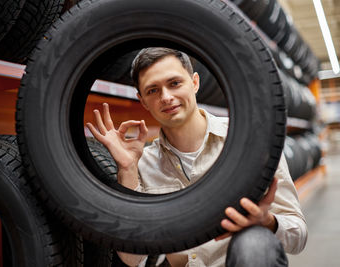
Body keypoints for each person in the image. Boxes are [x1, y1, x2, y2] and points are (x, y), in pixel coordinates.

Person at [86, 47, 307, 267]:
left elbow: (299, 235)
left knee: (255, 242)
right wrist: (127, 168)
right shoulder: (141, 162)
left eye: (174, 83)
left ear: (195, 82)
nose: (166, 97)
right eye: (153, 90)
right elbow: (132, 259)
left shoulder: (250, 141)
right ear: (142, 101)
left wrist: (266, 222)